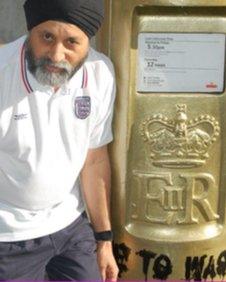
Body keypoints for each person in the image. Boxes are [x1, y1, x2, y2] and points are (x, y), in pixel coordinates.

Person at [0, 0, 118, 280]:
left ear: (87, 43)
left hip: (71, 226)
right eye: (47, 37)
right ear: (31, 31)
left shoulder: (100, 74)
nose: (56, 54)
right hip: (9, 237)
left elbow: (94, 159)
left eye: (71, 42)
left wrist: (104, 239)